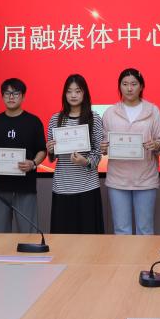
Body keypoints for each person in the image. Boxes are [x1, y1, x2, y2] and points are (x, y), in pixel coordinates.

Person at [101, 68, 160, 235]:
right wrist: (103, 147)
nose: (129, 88)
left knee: (145, 230)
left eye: (133, 84)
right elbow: (102, 142)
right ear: (119, 87)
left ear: (141, 86)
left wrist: (157, 145)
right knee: (121, 230)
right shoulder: (110, 112)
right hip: (118, 179)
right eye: (124, 84)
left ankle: (144, 255)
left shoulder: (153, 111)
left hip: (145, 178)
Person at [0, 78, 47, 233]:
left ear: (23, 96)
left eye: (15, 93)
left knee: (28, 234)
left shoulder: (33, 122)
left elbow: (42, 150)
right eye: (7, 93)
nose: (11, 97)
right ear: (2, 96)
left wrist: (33, 164)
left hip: (25, 187)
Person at [47, 74, 106, 234]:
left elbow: (97, 153)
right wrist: (50, 150)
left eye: (78, 91)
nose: (73, 95)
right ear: (64, 94)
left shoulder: (94, 118)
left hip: (88, 188)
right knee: (63, 239)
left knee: (89, 239)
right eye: (69, 91)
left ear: (84, 93)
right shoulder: (56, 119)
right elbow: (52, 157)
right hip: (62, 187)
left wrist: (85, 161)